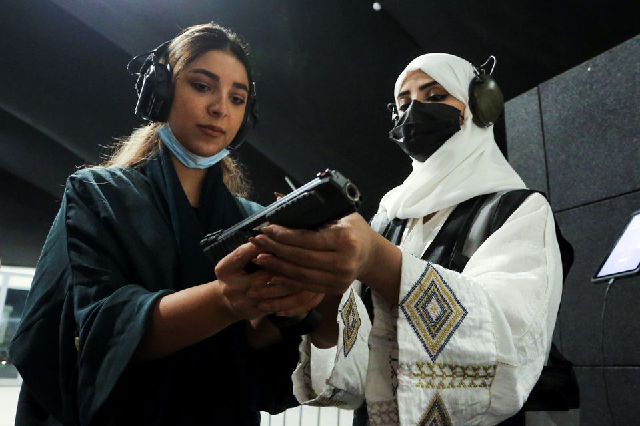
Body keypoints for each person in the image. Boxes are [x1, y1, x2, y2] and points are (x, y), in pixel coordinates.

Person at [10, 23, 321, 426]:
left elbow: (255, 366)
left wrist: (282, 310)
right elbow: (101, 332)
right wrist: (226, 299)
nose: (220, 108)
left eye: (237, 97)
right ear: (160, 92)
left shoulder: (250, 219)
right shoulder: (97, 195)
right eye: (202, 86)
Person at [246, 53, 566, 425]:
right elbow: (362, 371)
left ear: (480, 105)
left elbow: (507, 339)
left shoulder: (518, 209)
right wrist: (320, 300)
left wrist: (378, 260)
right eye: (404, 103)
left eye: (434, 98)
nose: (415, 112)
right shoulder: (389, 216)